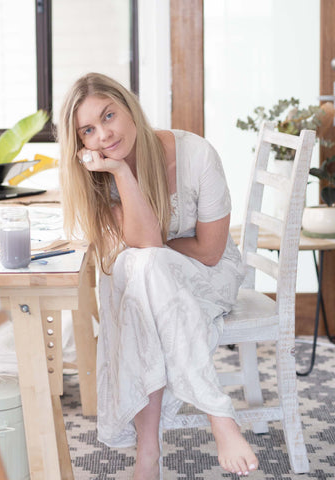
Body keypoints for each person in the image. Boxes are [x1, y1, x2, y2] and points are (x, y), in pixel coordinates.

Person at [58, 72, 259, 479]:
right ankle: (214, 421)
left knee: (140, 271)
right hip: (155, 284)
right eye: (88, 131)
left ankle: (150, 452)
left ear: (129, 106)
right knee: (142, 273)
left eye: (109, 115)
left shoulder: (195, 153)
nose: (104, 135)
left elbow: (209, 250)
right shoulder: (101, 174)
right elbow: (147, 245)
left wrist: (146, 254)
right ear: (80, 143)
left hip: (211, 276)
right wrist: (121, 173)